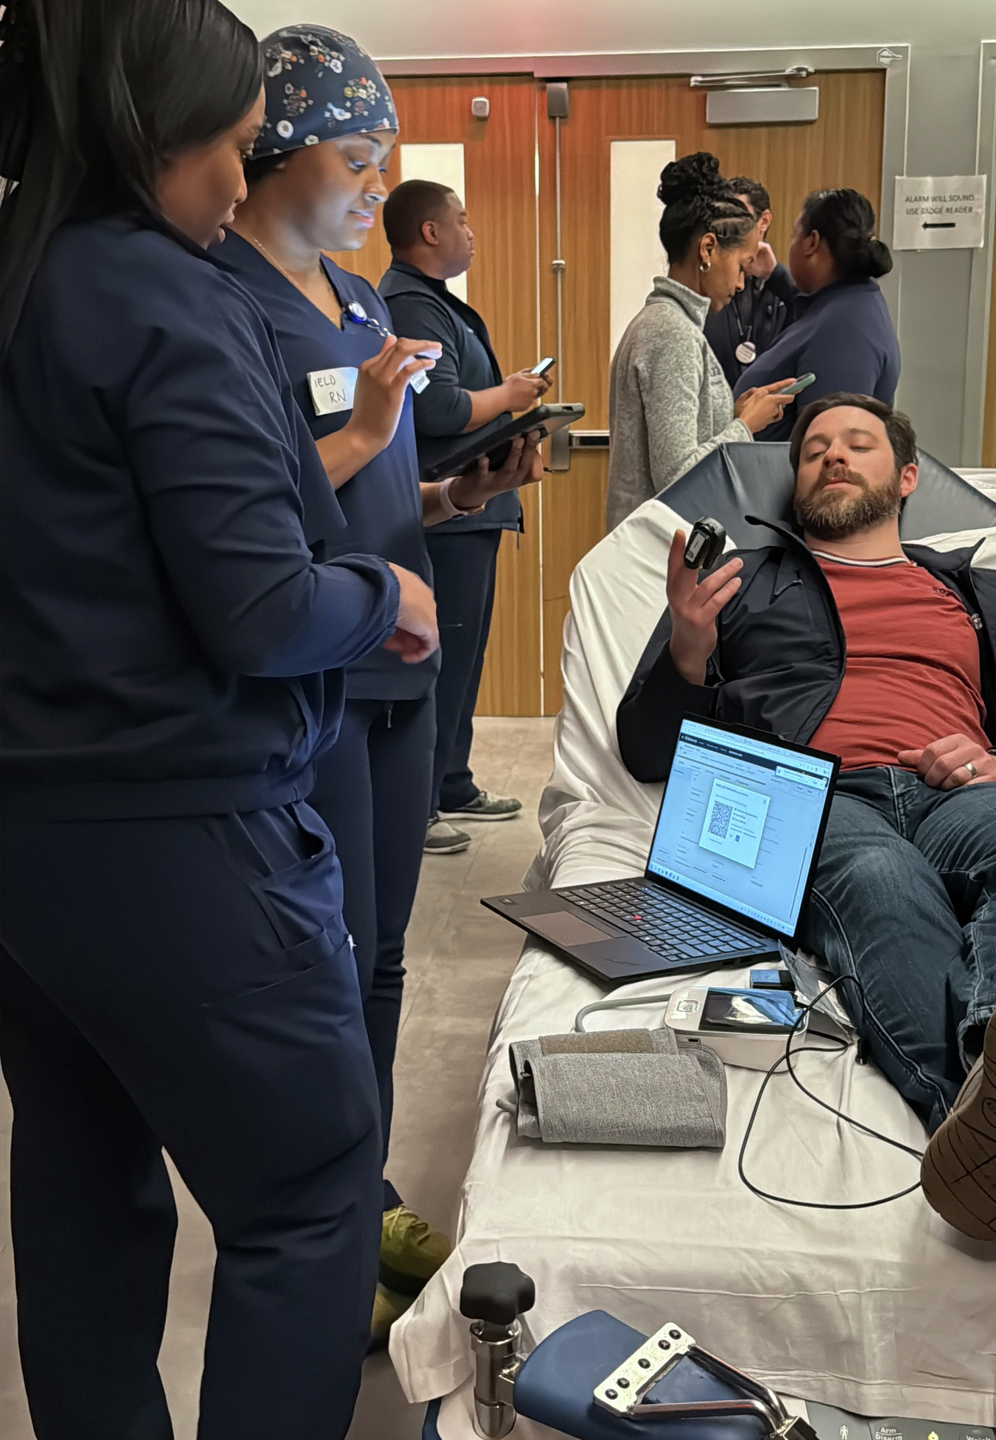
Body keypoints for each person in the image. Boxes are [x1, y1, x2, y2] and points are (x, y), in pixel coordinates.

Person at [0, 1, 439, 1435]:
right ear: (160, 136)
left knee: (86, 1196)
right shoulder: (165, 296)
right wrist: (380, 596)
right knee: (309, 1198)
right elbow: (258, 609)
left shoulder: (27, 275)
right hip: (183, 833)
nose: (240, 181)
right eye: (241, 150)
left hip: (33, 844)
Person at [218, 26, 542, 1341]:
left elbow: (381, 491)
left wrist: (460, 488)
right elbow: (243, 527)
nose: (375, 185)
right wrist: (354, 436)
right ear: (268, 154)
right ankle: (327, 1220)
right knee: (330, 964)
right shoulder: (217, 308)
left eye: (386, 160)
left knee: (390, 954)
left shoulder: (357, 302)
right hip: (314, 689)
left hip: (399, 681)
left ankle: (368, 1185)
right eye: (357, 158)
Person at [617, 392, 996, 1244]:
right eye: (811, 448)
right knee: (883, 884)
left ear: (905, 478)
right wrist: (687, 649)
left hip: (962, 795)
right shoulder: (736, 584)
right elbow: (646, 752)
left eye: (856, 444)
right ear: (796, 487)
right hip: (815, 796)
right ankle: (995, 1128)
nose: (829, 455)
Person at [380, 181, 548, 854]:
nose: (471, 231)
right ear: (429, 232)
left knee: (465, 656)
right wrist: (508, 394)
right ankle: (418, 803)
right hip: (442, 507)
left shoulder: (434, 303)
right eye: (462, 220)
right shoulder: (406, 303)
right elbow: (439, 410)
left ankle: (450, 780)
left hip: (470, 508)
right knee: (439, 659)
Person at [605, 153, 794, 533]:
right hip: (658, 557)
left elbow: (680, 446)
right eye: (741, 266)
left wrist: (733, 414)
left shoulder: (668, 324)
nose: (741, 283)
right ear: (708, 249)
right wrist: (744, 426)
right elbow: (677, 477)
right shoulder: (671, 332)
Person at [734, 188, 901, 441]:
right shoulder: (842, 304)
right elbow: (809, 313)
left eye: (794, 235)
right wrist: (775, 275)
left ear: (811, 242)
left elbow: (826, 446)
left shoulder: (845, 329)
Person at [704, 175, 797, 387]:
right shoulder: (709, 285)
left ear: (763, 221)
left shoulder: (784, 286)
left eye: (739, 216)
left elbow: (814, 314)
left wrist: (777, 276)